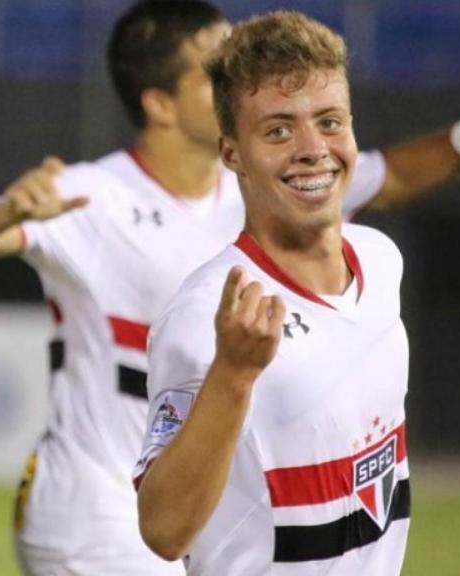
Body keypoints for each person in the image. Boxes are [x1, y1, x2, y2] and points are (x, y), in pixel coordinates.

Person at [0, 1, 460, 574]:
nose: (231, 68)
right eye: (211, 64)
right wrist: (8, 211)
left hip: (216, 494)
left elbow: (394, 175)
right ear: (161, 104)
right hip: (96, 505)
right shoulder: (92, 197)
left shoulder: (292, 187)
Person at [136, 11, 417, 573]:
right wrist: (233, 375)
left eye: (330, 122)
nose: (313, 148)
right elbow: (164, 531)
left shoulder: (382, 263)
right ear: (232, 153)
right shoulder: (208, 316)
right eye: (278, 130)